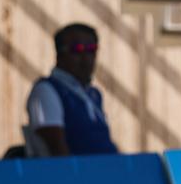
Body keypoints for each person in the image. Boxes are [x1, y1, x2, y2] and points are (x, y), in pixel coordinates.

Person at [26, 22, 118, 156]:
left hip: (107, 169)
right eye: (78, 50)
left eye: (92, 49)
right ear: (60, 55)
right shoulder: (46, 90)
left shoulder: (93, 94)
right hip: (81, 173)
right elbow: (57, 150)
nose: (86, 58)